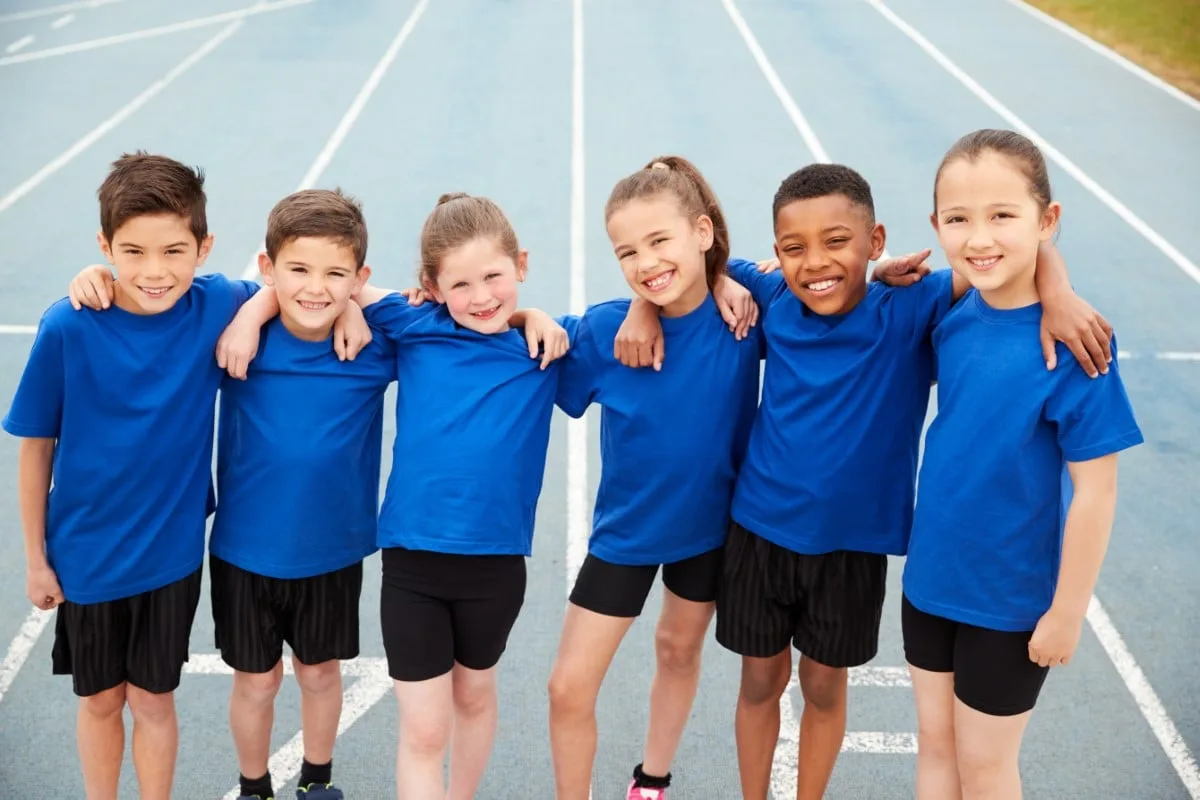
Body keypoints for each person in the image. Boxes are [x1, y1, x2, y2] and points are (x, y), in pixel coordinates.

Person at [614, 160, 1113, 800]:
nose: (815, 263)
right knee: (759, 684)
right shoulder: (768, 294)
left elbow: (1004, 256)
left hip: (854, 548)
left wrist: (1061, 291)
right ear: (776, 254)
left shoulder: (913, 305)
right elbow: (681, 262)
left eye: (838, 243)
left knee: (824, 687)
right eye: (793, 249)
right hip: (759, 531)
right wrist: (639, 308)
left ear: (875, 242)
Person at [3, 152, 286, 800]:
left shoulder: (215, 305)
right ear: (104, 247)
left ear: (204, 246)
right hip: (87, 555)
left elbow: (297, 290)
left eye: (173, 252)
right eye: (131, 252)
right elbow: (35, 449)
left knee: (155, 702)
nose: (154, 272)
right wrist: (35, 560)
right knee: (102, 700)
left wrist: (262, 313)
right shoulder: (69, 323)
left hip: (170, 556)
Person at [899, 128, 1143, 799]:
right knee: (936, 751)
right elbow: (858, 274)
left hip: (1008, 601)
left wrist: (1067, 612)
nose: (980, 238)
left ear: (1048, 219)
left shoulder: (1077, 346)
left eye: (1003, 215)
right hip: (930, 580)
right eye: (959, 219)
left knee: (986, 769)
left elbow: (1096, 492)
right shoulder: (950, 308)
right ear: (937, 226)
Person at [547, 156, 763, 800]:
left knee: (677, 648)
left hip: (711, 528)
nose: (646, 262)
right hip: (628, 532)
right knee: (567, 686)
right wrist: (635, 304)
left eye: (659, 241)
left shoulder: (749, 307)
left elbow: (817, 279)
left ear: (702, 232)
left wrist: (724, 277)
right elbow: (531, 351)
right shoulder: (609, 330)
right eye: (628, 253)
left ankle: (652, 779)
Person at [354, 192, 570, 800]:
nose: (481, 297)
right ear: (431, 285)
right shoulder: (414, 324)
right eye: (461, 284)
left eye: (494, 277)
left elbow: (644, 314)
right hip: (413, 565)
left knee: (475, 694)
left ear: (521, 264)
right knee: (424, 729)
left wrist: (536, 317)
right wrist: (347, 309)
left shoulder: (545, 350)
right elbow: (332, 283)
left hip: (496, 567)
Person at [206, 188, 391, 800]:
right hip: (243, 549)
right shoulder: (236, 333)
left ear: (359, 278)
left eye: (336, 274)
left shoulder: (371, 343)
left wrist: (358, 305)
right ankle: (254, 786)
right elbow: (162, 287)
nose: (316, 288)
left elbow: (450, 310)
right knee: (256, 681)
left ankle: (318, 780)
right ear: (267, 268)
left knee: (318, 673)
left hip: (331, 552)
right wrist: (253, 313)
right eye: (299, 270)